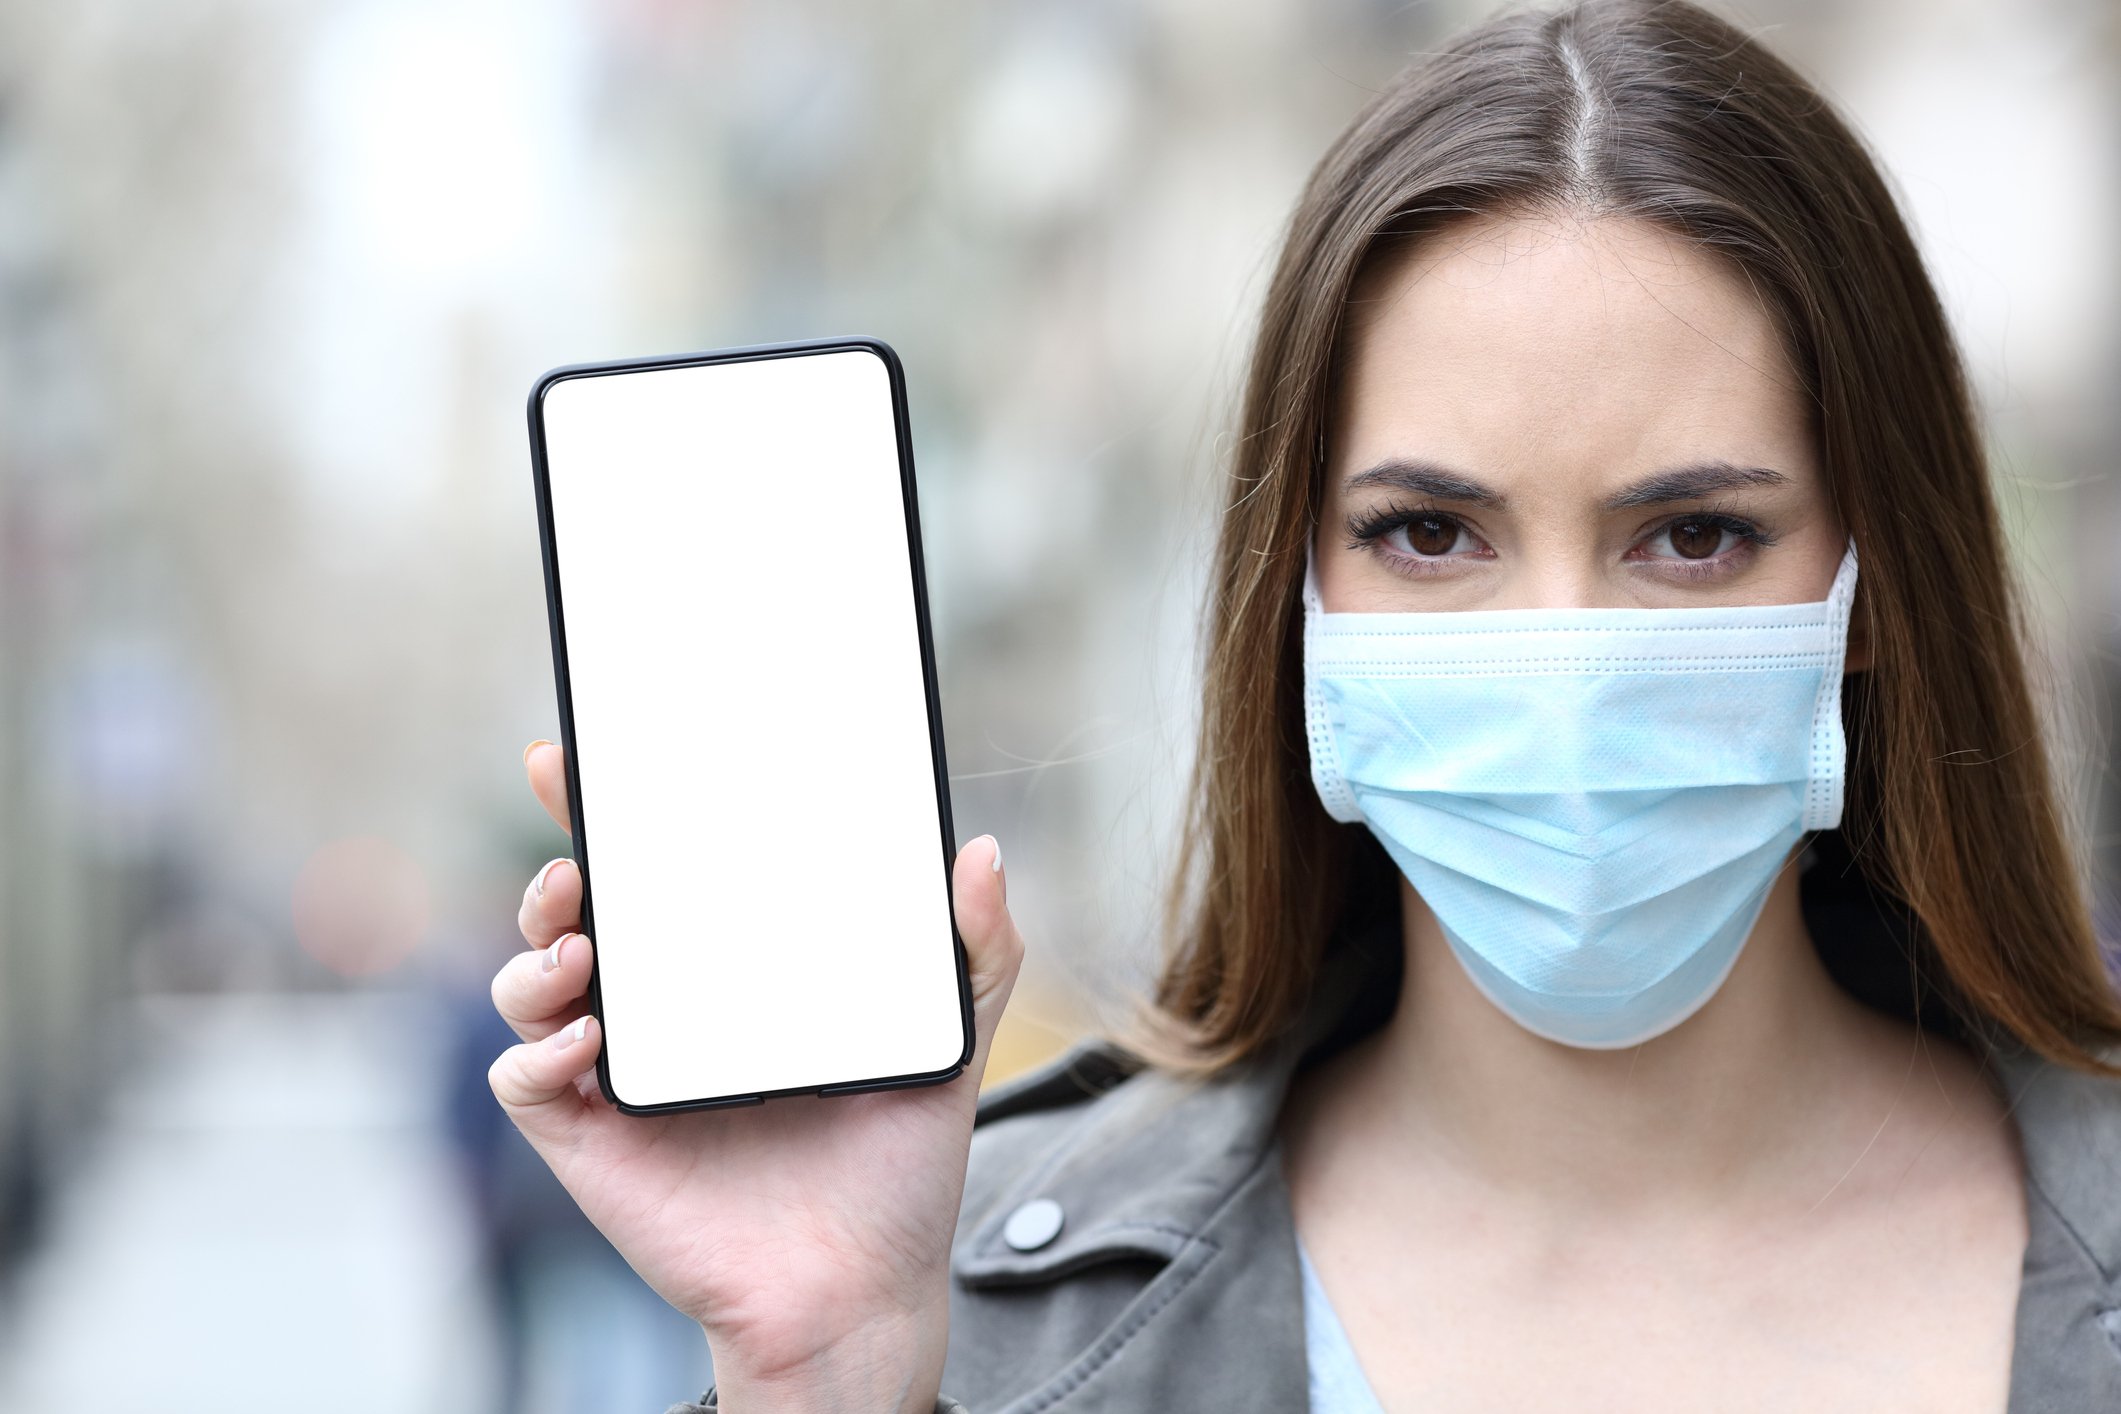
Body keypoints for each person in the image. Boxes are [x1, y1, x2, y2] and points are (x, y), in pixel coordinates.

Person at [488, 0, 2121, 1408]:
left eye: (1692, 536)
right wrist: (829, 1378)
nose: (1558, 657)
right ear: (1299, 599)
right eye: (1429, 533)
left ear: (1870, 589)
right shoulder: (989, 1311)